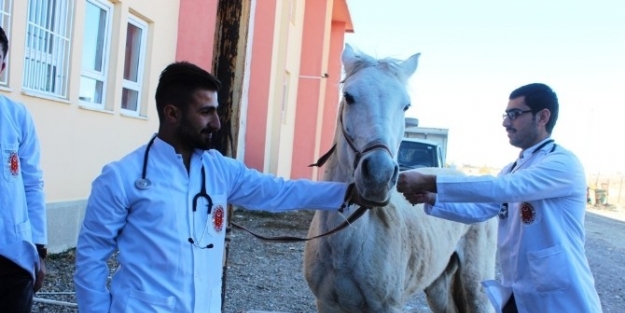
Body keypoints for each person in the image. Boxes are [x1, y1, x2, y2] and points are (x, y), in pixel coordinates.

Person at [74, 61, 359, 313]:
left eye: (217, 111)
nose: (217, 123)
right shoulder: (121, 177)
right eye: (206, 112)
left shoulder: (220, 169)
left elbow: (279, 191)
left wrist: (349, 193)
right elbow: (91, 256)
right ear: (172, 114)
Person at [397, 83, 603, 313]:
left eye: (515, 114)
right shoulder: (512, 168)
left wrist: (428, 180)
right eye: (506, 114)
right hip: (519, 292)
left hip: (560, 298)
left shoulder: (562, 164)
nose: (506, 122)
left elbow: (505, 188)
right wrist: (431, 198)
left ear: (543, 117)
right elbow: (480, 210)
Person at [0, 26, 47, 312]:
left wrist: (39, 248)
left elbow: (33, 183)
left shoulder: (17, 116)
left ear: (2, 66)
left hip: (11, 256)